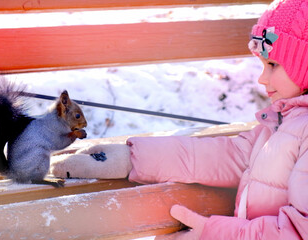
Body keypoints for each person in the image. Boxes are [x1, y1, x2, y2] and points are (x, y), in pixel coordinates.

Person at [50, 0, 308, 238]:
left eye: (273, 64)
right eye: (262, 65)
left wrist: (214, 233)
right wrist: (132, 158)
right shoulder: (283, 121)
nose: (262, 78)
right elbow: (227, 156)